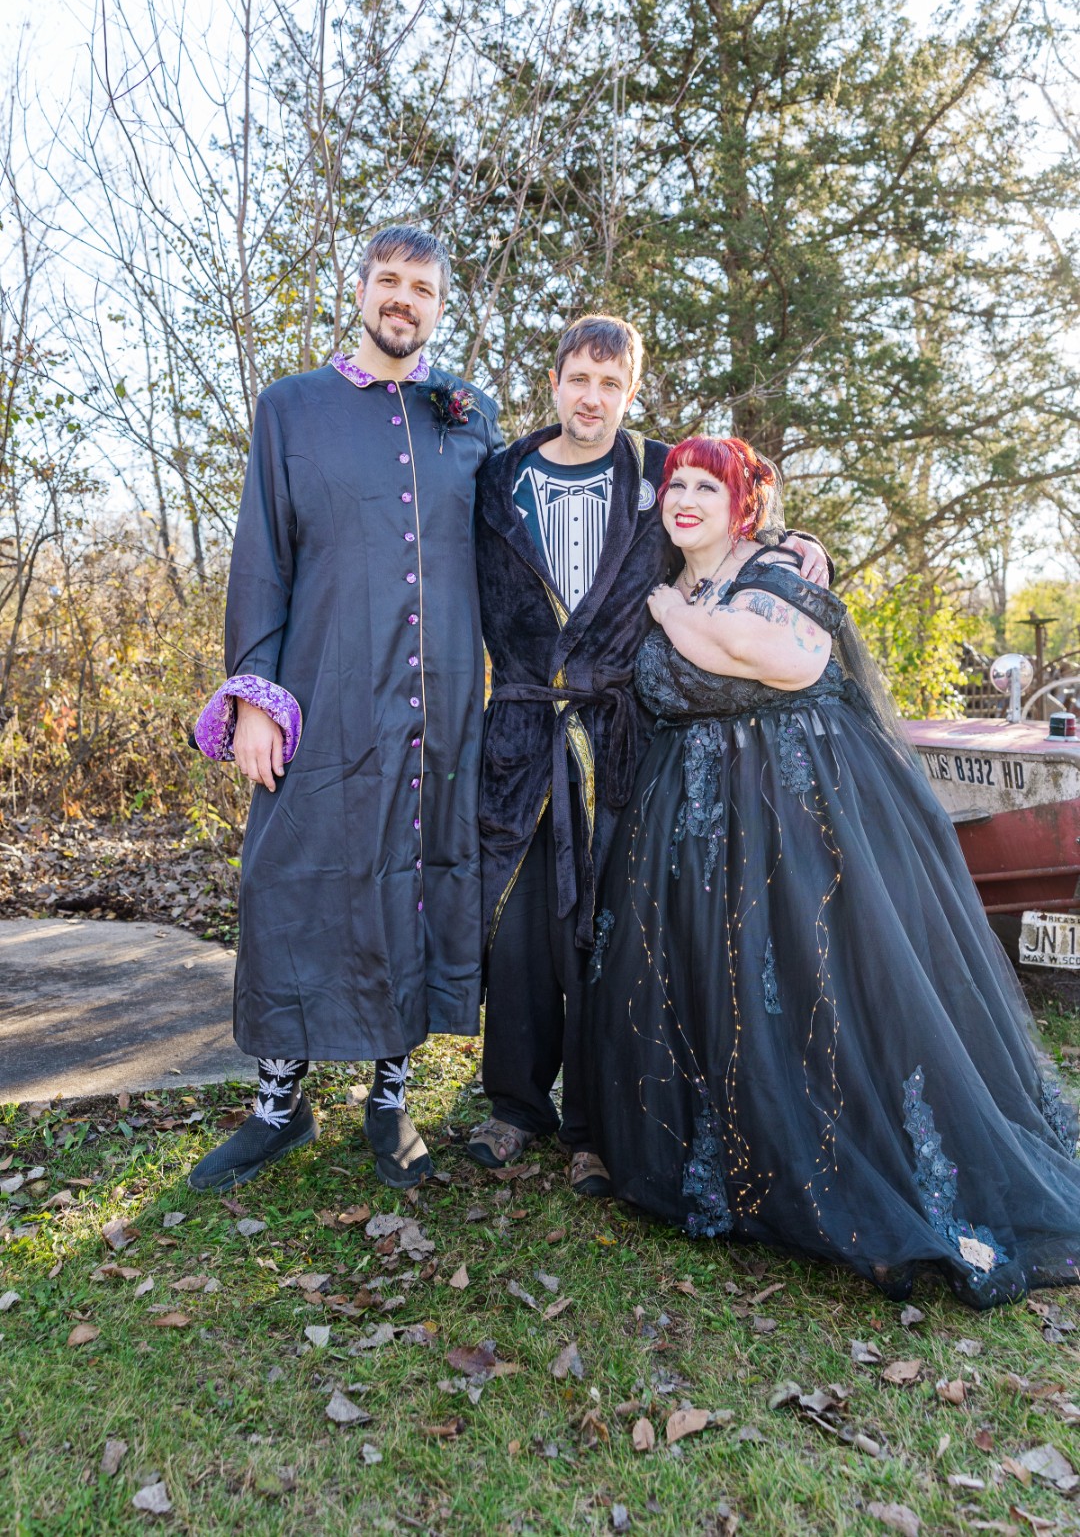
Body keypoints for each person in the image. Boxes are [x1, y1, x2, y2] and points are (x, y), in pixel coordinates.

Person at [584, 433, 1080, 1306]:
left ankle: (841, 1165)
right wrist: (684, 614)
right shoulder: (663, 577)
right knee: (716, 990)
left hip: (795, 820)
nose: (687, 498)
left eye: (709, 485)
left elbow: (788, 659)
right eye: (676, 484)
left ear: (745, 502)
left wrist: (675, 617)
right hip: (689, 832)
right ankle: (725, 1159)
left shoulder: (777, 564)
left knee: (813, 987)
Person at [470, 318, 829, 1194]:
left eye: (611, 382)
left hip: (622, 736)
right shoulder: (495, 480)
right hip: (522, 733)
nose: (593, 397)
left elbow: (736, 518)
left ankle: (598, 1122)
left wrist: (794, 551)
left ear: (632, 391)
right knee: (520, 928)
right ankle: (515, 1106)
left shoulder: (662, 475)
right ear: (553, 381)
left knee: (609, 929)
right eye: (579, 378)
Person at [189, 226, 502, 1191]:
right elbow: (261, 560)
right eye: (389, 281)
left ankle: (391, 1100)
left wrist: (769, 539)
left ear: (441, 307)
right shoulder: (292, 409)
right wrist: (254, 698)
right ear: (360, 290)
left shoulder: (469, 417)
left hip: (437, 701)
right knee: (289, 879)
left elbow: (550, 501)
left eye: (423, 288)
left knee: (407, 877)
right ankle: (278, 1106)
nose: (403, 299)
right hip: (321, 693)